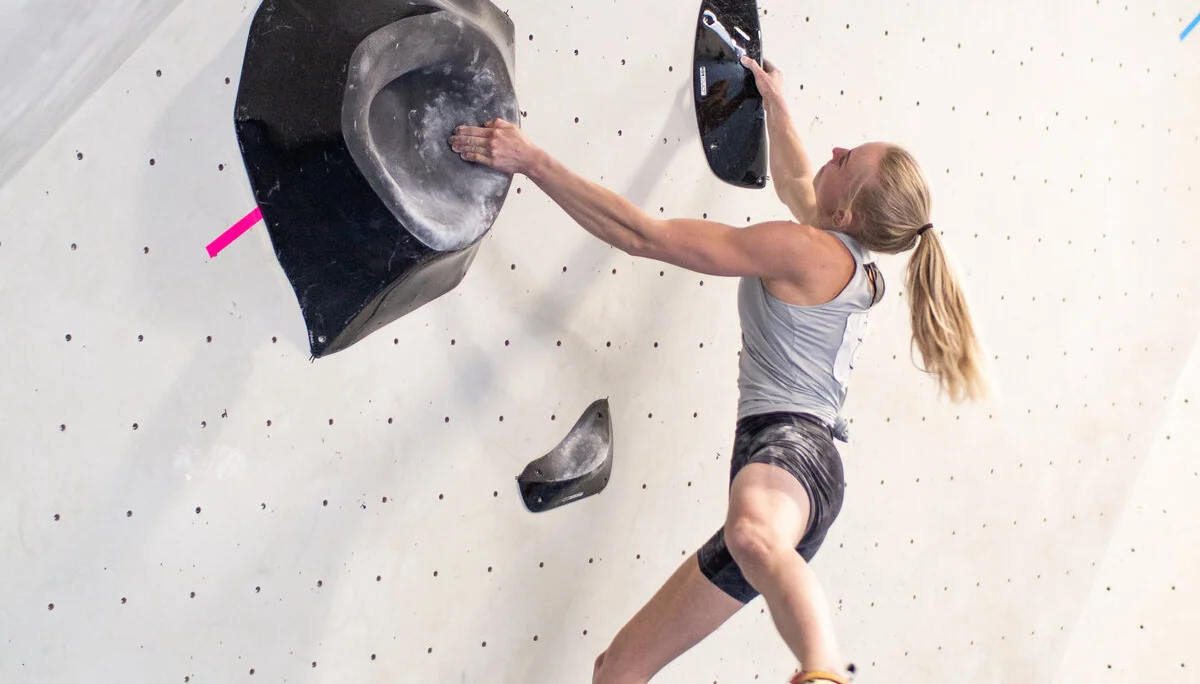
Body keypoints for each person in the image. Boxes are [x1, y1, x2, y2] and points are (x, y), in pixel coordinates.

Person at [449, 55, 986, 684]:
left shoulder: (808, 250)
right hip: (800, 466)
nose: (834, 150)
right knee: (617, 671)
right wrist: (778, 104)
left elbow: (644, 236)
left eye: (845, 159)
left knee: (754, 536)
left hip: (793, 451)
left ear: (846, 216)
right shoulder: (848, 257)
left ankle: (823, 672)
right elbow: (798, 184)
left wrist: (530, 159)